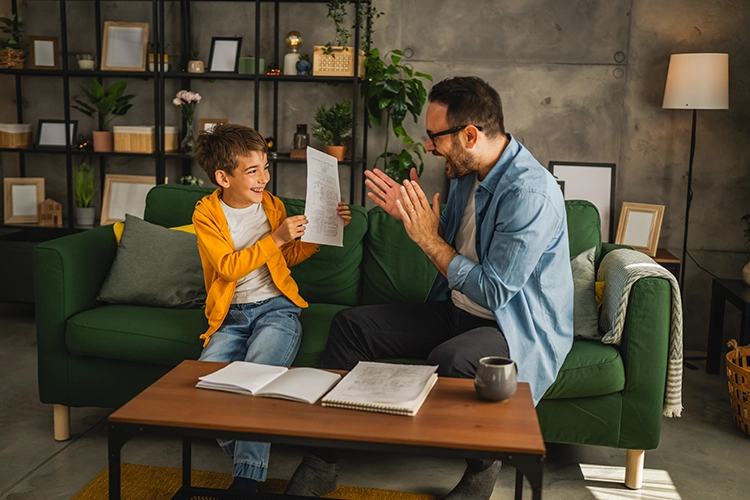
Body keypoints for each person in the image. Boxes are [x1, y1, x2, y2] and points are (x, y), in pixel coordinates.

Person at [284, 76, 574, 499]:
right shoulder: (463, 173)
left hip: (513, 326)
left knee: (452, 358)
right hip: (458, 309)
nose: (431, 147)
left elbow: (494, 292)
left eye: (435, 136)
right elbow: (450, 258)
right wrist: (416, 224)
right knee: (350, 326)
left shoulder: (529, 193)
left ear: (470, 134)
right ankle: (321, 461)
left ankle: (482, 467)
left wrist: (428, 238)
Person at [192, 123, 351, 493]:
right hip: (230, 317)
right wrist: (275, 237)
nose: (264, 177)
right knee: (201, 389)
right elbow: (229, 266)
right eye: (252, 171)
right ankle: (248, 449)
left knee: (257, 381)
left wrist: (321, 233)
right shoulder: (207, 215)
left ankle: (246, 482)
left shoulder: (272, 205)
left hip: (277, 311)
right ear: (223, 177)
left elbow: (287, 256)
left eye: (265, 167)